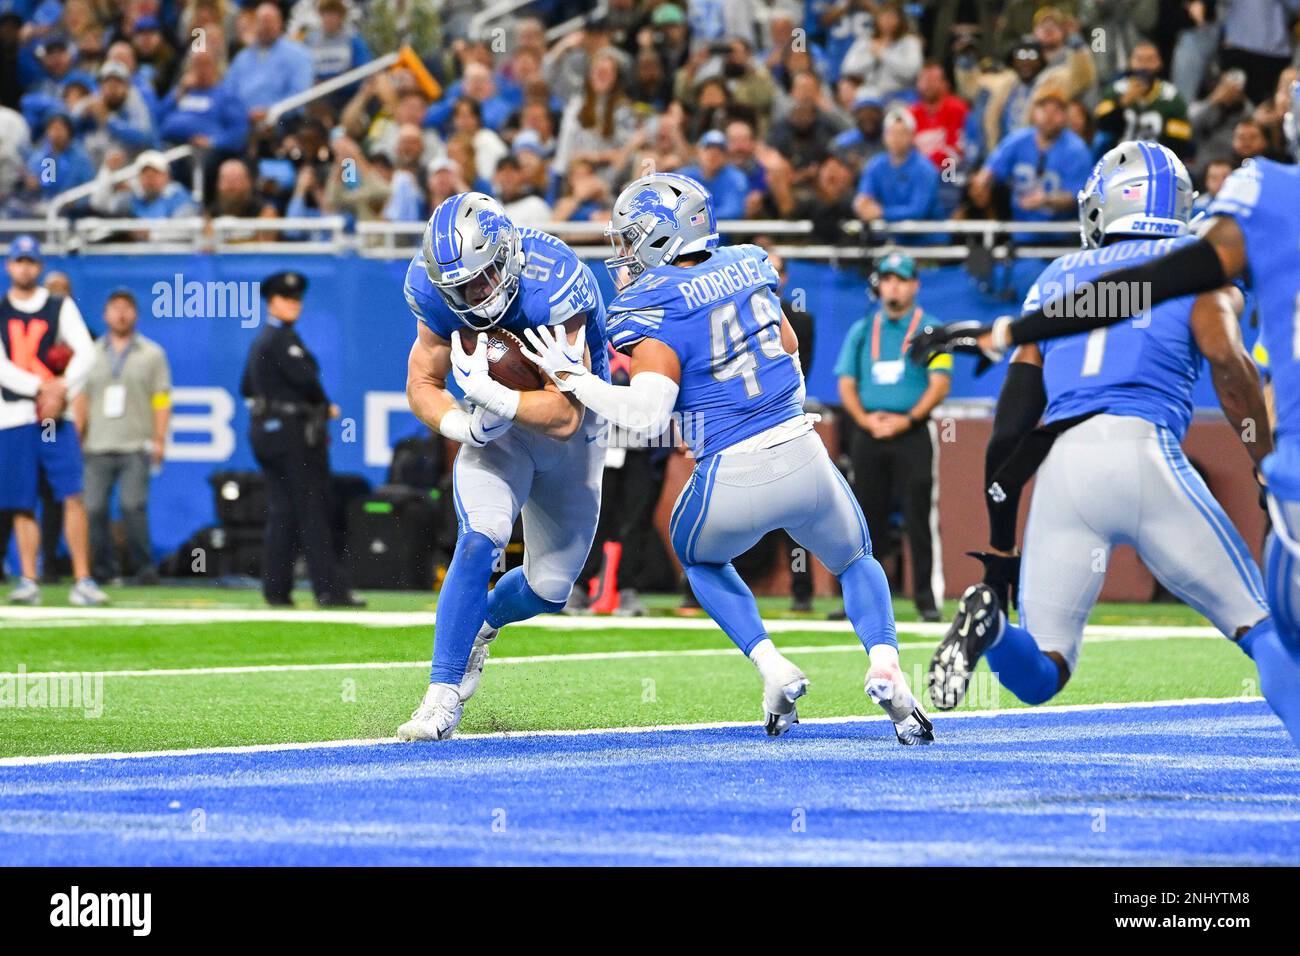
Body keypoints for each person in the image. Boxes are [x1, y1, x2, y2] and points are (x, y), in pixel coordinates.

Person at [910, 125, 1300, 748]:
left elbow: (1009, 431)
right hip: (1143, 452)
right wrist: (1262, 462)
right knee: (1265, 631)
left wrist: (1000, 557)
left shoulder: (1055, 279)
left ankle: (990, 628)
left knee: (1041, 673)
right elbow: (1229, 367)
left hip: (1063, 466)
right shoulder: (1195, 264)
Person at [519, 172, 933, 745]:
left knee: (701, 562)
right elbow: (787, 347)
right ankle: (886, 664)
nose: (624, 252)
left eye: (631, 237)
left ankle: (773, 668)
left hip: (728, 472)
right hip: (802, 449)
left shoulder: (651, 301)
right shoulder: (750, 265)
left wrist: (575, 379)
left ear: (662, 236)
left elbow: (645, 412)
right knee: (856, 557)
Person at [396, 192, 611, 741]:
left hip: (574, 434)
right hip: (500, 436)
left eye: (485, 276)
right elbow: (422, 382)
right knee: (478, 540)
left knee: (549, 587)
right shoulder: (431, 289)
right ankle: (440, 695)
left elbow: (565, 415)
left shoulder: (555, 280)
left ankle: (483, 624)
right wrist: (462, 426)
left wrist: (496, 399)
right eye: (461, 287)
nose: (476, 296)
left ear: (508, 252)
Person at [835, 253, 950, 622]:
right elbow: (847, 382)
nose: (894, 286)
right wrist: (865, 421)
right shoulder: (863, 329)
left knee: (919, 516)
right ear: (879, 286)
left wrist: (908, 420)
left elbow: (940, 383)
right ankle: (860, 601)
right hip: (869, 434)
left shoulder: (931, 329)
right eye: (887, 280)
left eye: (901, 280)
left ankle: (926, 599)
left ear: (915, 285)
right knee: (864, 520)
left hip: (912, 432)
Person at [239, 270, 363, 609]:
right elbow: (305, 379)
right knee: (312, 508)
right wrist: (322, 406)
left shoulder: (261, 339)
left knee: (283, 510)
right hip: (291, 434)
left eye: (296, 299)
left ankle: (276, 589)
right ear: (271, 302)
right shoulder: (282, 340)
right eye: (285, 299)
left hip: (266, 431)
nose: (293, 304)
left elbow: (246, 388)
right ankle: (330, 590)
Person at [0, 235, 105, 606]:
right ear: (9, 266)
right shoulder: (1, 310)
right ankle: (29, 578)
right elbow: (2, 368)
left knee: (71, 494)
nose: (25, 267)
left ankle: (83, 578)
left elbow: (86, 352)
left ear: (39, 266)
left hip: (54, 419)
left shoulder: (59, 306)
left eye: (31, 261)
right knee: (21, 501)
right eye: (19, 261)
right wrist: (43, 388)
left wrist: (61, 389)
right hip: (14, 416)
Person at [74, 289, 171, 585]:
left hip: (135, 444)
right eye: (115, 308)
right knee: (93, 508)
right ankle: (103, 568)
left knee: (132, 506)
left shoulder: (152, 353)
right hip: (97, 444)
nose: (121, 313)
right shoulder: (90, 353)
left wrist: (160, 438)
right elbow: (81, 398)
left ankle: (143, 567)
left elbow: (161, 399)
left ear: (135, 314)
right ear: (105, 315)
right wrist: (76, 437)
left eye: (126, 308)